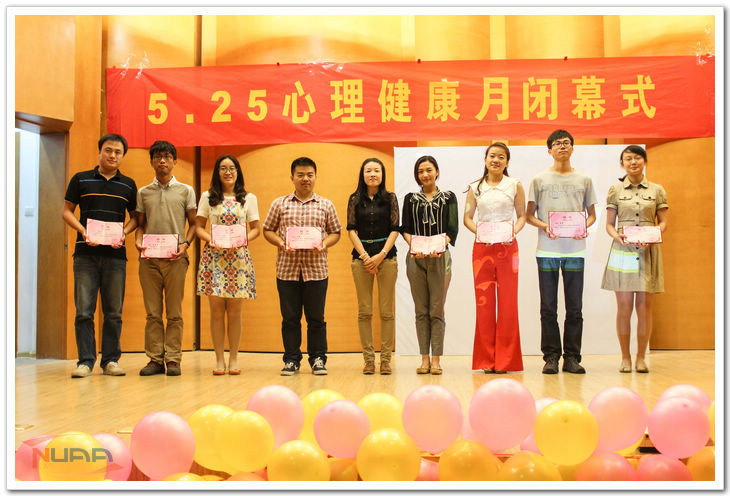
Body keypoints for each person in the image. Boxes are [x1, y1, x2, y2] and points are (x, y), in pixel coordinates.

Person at [63, 134, 138, 378]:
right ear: (100, 152)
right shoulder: (80, 179)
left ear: (122, 156)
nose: (112, 155)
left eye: (117, 152)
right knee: (84, 311)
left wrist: (124, 233)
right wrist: (83, 230)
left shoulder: (128, 185)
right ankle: (85, 361)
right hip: (85, 255)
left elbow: (136, 218)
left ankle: (110, 361)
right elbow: (67, 211)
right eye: (108, 150)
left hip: (115, 257)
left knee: (113, 312)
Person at [526, 129, 597, 375]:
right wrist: (546, 226)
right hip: (547, 250)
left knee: (575, 307)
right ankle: (551, 357)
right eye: (557, 144)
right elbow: (529, 216)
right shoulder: (539, 180)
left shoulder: (584, 179)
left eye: (566, 143)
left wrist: (583, 228)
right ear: (549, 150)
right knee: (548, 307)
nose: (562, 147)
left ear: (573, 148)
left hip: (575, 251)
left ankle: (573, 358)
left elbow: (592, 215)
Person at [262, 157, 342, 376]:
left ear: (315, 177)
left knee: (316, 319)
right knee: (290, 319)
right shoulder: (280, 204)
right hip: (287, 270)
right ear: (292, 177)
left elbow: (336, 232)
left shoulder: (325, 205)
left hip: (316, 271)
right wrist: (281, 243)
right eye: (300, 175)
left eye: (309, 175)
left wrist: (324, 244)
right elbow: (267, 229)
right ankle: (291, 359)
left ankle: (318, 359)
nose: (305, 179)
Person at [601, 145, 668, 373]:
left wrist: (654, 235)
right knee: (624, 307)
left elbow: (663, 222)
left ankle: (641, 358)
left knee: (644, 307)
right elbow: (609, 225)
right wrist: (617, 237)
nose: (633, 162)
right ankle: (625, 358)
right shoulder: (615, 190)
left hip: (648, 251)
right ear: (622, 164)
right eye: (628, 159)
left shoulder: (657, 190)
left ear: (644, 161)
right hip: (623, 251)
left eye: (637, 158)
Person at [135, 140, 197, 376]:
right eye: (158, 156)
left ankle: (173, 359)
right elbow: (140, 225)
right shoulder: (143, 192)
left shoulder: (186, 191)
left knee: (174, 313)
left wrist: (186, 244)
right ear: (151, 161)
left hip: (175, 259)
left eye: (167, 156)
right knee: (152, 313)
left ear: (174, 161)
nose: (162, 160)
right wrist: (138, 240)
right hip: (149, 260)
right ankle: (154, 359)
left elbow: (194, 224)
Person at [464, 142, 526, 374]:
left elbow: (522, 216)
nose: (496, 160)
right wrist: (481, 233)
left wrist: (512, 232)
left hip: (509, 249)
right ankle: (487, 360)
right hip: (482, 250)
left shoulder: (515, 184)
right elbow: (467, 218)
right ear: (485, 159)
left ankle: (506, 360)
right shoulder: (475, 187)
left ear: (507, 161)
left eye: (501, 157)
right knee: (484, 305)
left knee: (509, 304)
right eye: (492, 156)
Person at [196, 155, 260, 375]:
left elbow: (256, 229)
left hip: (238, 258)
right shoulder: (207, 197)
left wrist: (243, 240)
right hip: (214, 258)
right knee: (216, 311)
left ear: (237, 171)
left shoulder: (248, 198)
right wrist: (210, 239)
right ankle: (218, 360)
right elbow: (199, 227)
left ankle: (233, 359)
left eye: (232, 168)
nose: (228, 172)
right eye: (223, 168)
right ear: (217, 172)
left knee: (235, 312)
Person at [401, 155, 458, 375]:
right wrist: (415, 246)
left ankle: (436, 359)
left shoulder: (449, 197)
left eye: (428, 170)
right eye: (420, 171)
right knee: (421, 310)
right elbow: (405, 228)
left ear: (437, 171)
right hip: (415, 258)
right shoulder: (410, 199)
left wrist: (439, 246)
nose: (425, 175)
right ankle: (424, 358)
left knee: (437, 309)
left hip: (440, 257)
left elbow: (452, 228)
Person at [346, 158, 400, 375]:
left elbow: (395, 229)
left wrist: (381, 255)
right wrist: (366, 256)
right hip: (361, 259)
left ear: (382, 174)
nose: (372, 174)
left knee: (387, 312)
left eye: (377, 170)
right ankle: (368, 360)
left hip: (387, 257)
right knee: (364, 312)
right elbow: (351, 229)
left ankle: (385, 361)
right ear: (363, 174)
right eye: (368, 170)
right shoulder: (354, 199)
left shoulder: (390, 198)